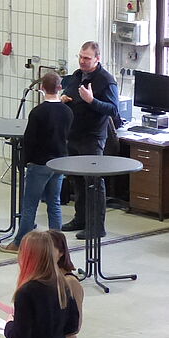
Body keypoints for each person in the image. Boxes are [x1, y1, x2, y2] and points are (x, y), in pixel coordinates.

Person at [0, 72, 73, 253]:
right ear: (60, 88)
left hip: (39, 163)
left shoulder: (37, 112)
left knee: (30, 205)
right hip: (59, 162)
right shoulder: (67, 111)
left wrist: (25, 162)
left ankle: (19, 243)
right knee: (54, 203)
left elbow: (30, 140)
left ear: (41, 89)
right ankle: (58, 245)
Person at [60, 41, 121, 239]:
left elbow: (113, 110)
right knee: (77, 179)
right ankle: (81, 219)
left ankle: (96, 226)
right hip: (74, 135)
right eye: (80, 57)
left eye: (87, 58)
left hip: (92, 138)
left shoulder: (106, 80)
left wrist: (91, 101)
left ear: (97, 59)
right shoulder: (77, 76)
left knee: (94, 182)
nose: (82, 61)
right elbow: (68, 92)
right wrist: (63, 98)